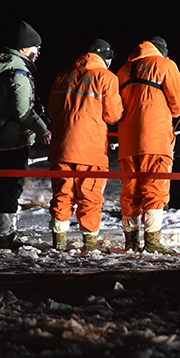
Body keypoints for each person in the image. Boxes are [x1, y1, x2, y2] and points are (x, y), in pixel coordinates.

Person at [0, 21, 52, 250]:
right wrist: (42, 129)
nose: (38, 52)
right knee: (11, 189)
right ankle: (6, 235)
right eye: (35, 47)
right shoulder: (19, 74)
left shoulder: (0, 68)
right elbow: (23, 112)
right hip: (12, 141)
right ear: (23, 48)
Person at [47, 39, 123, 252]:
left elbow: (52, 111)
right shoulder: (107, 77)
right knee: (90, 196)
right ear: (106, 58)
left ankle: (58, 243)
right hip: (91, 149)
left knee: (62, 195)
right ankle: (90, 244)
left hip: (62, 147)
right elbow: (113, 115)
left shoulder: (63, 76)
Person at [117, 36, 180, 253]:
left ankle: (131, 242)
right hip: (155, 138)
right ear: (162, 51)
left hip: (127, 141)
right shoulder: (165, 65)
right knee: (155, 187)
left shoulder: (123, 70)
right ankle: (152, 242)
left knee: (130, 190)